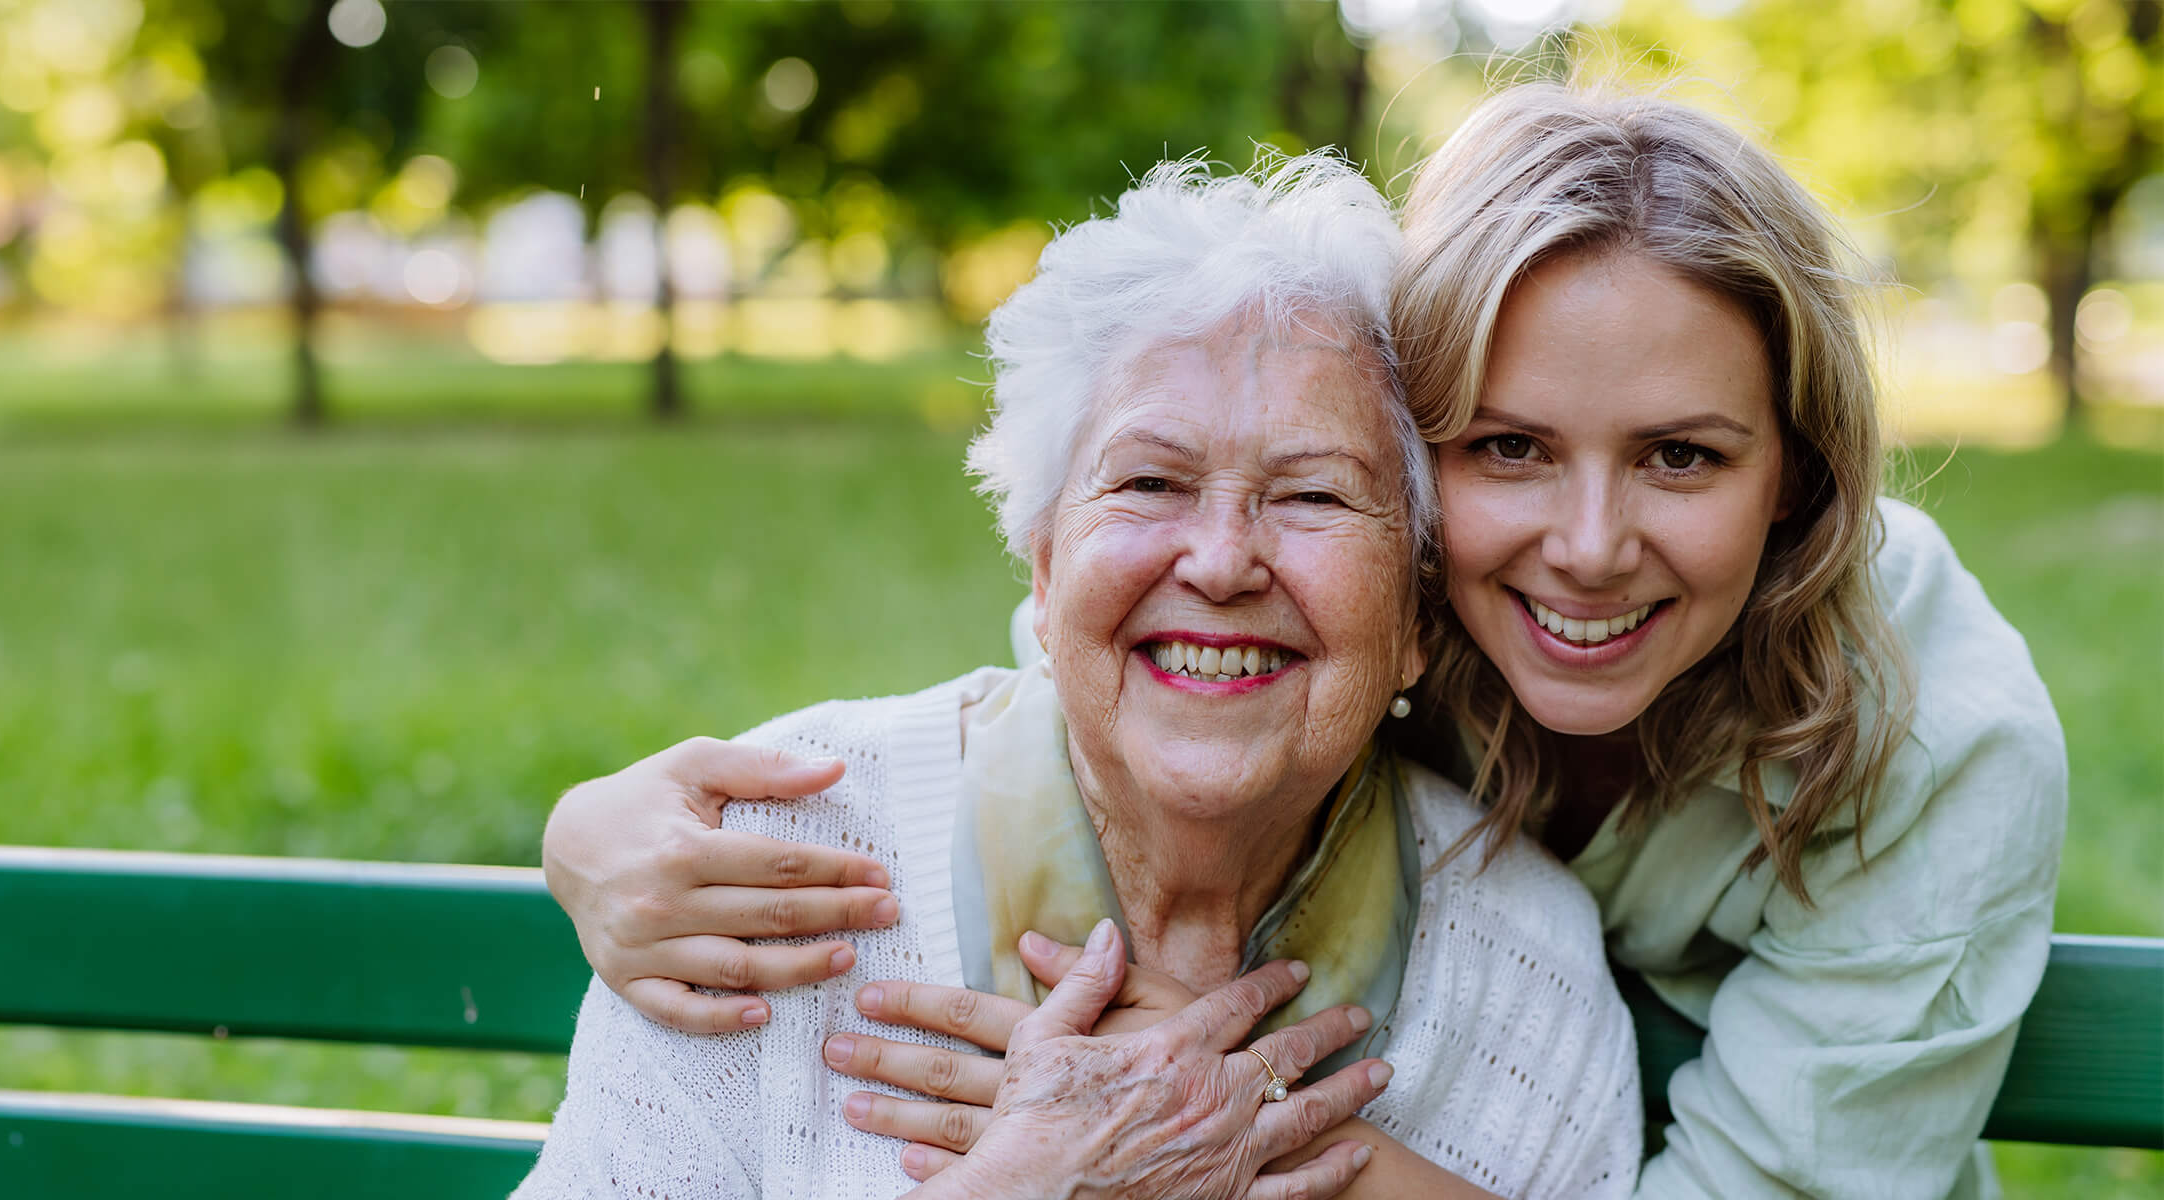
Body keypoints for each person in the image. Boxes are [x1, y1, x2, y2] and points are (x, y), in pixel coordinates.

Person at [538, 83, 2065, 1199]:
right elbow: (1144, 644)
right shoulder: (1341, 600)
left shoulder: (1934, 754)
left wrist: (1218, 1124)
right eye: (1511, 447)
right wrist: (582, 833)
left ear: (1795, 472)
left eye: (1683, 455)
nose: (1588, 546)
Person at [513, 153, 1642, 1200]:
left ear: (1416, 617)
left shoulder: (1522, 973)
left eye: (1312, 495)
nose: (1219, 559)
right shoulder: (762, 873)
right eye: (1150, 482)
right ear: (1044, 574)